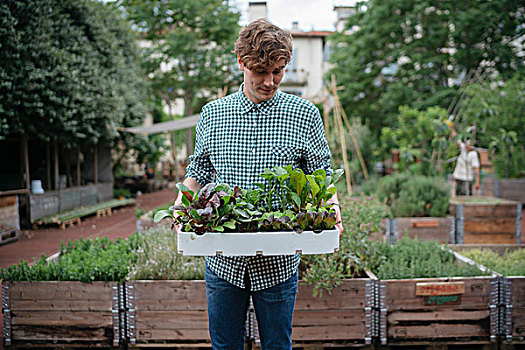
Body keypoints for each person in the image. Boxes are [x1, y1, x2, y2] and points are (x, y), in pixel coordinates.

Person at [172, 19, 342, 349]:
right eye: (260, 72)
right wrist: (182, 205)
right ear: (241, 63)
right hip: (223, 259)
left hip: (278, 261)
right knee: (225, 347)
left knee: (278, 346)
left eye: (277, 71)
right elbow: (200, 170)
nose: (269, 81)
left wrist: (332, 209)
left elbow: (322, 174)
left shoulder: (304, 114)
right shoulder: (213, 114)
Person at [449, 122, 480, 196]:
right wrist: (451, 128)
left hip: (466, 179)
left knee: (465, 197)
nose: (467, 143)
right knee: (458, 196)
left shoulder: (473, 154)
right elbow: (456, 138)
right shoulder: (463, 149)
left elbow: (476, 169)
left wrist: (477, 182)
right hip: (458, 178)